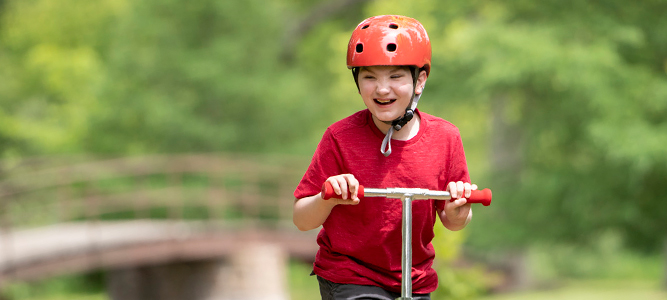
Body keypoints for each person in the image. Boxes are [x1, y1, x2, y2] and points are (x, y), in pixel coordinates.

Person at [293, 15, 477, 300]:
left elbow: (454, 220)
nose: (381, 88)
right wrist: (328, 196)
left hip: (414, 278)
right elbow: (302, 219)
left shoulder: (445, 138)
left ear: (420, 80)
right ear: (357, 81)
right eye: (369, 77)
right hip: (351, 274)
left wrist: (458, 210)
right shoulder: (340, 137)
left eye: (395, 76)